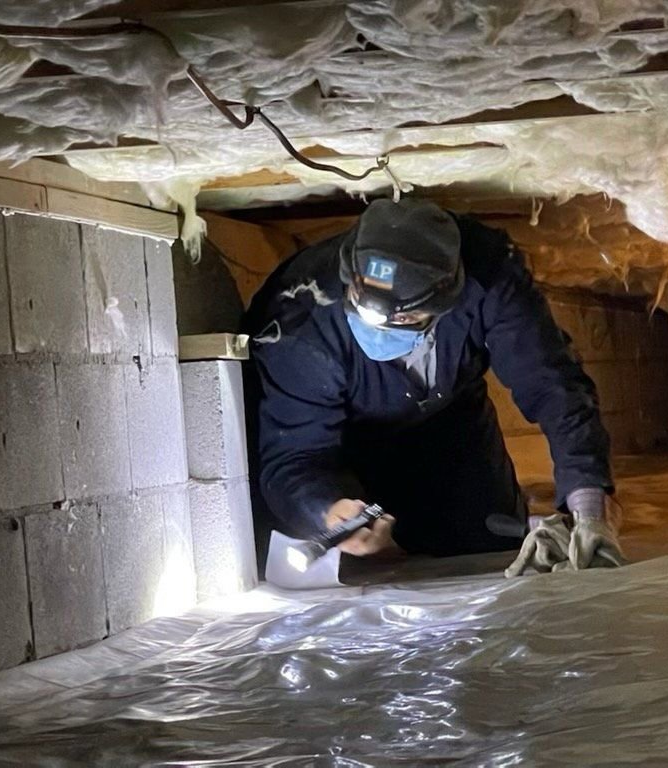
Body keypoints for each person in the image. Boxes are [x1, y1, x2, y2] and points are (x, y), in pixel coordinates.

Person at [243, 198, 624, 575]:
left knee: (489, 548)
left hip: (451, 421)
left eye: (405, 318)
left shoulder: (489, 275)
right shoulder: (300, 321)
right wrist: (326, 509)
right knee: (346, 567)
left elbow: (554, 385)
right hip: (345, 444)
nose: (380, 331)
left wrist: (589, 503)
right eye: (363, 307)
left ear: (445, 300)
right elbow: (292, 456)